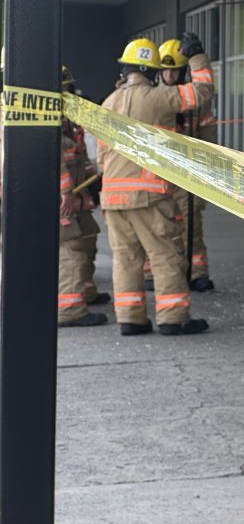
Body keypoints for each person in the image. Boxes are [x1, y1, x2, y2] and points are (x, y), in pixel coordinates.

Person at [99, 35, 215, 336]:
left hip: (113, 198)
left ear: (125, 69)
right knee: (165, 256)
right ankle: (173, 318)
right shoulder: (158, 99)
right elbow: (202, 91)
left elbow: (101, 154)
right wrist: (197, 57)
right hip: (148, 196)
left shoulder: (108, 103)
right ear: (150, 71)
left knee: (126, 260)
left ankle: (131, 319)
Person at [157, 37, 218, 292]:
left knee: (191, 226)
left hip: (186, 173)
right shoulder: (154, 97)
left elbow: (208, 138)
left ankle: (197, 272)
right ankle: (153, 274)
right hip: (158, 173)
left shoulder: (195, 102)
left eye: (175, 70)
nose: (170, 76)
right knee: (158, 227)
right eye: (165, 70)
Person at [58, 67, 107, 327]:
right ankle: (69, 310)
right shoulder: (47, 120)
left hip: (77, 195)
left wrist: (91, 185)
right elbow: (53, 160)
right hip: (62, 198)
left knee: (88, 237)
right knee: (70, 250)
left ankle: (86, 292)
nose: (69, 94)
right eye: (64, 89)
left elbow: (79, 158)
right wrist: (65, 192)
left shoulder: (69, 122)